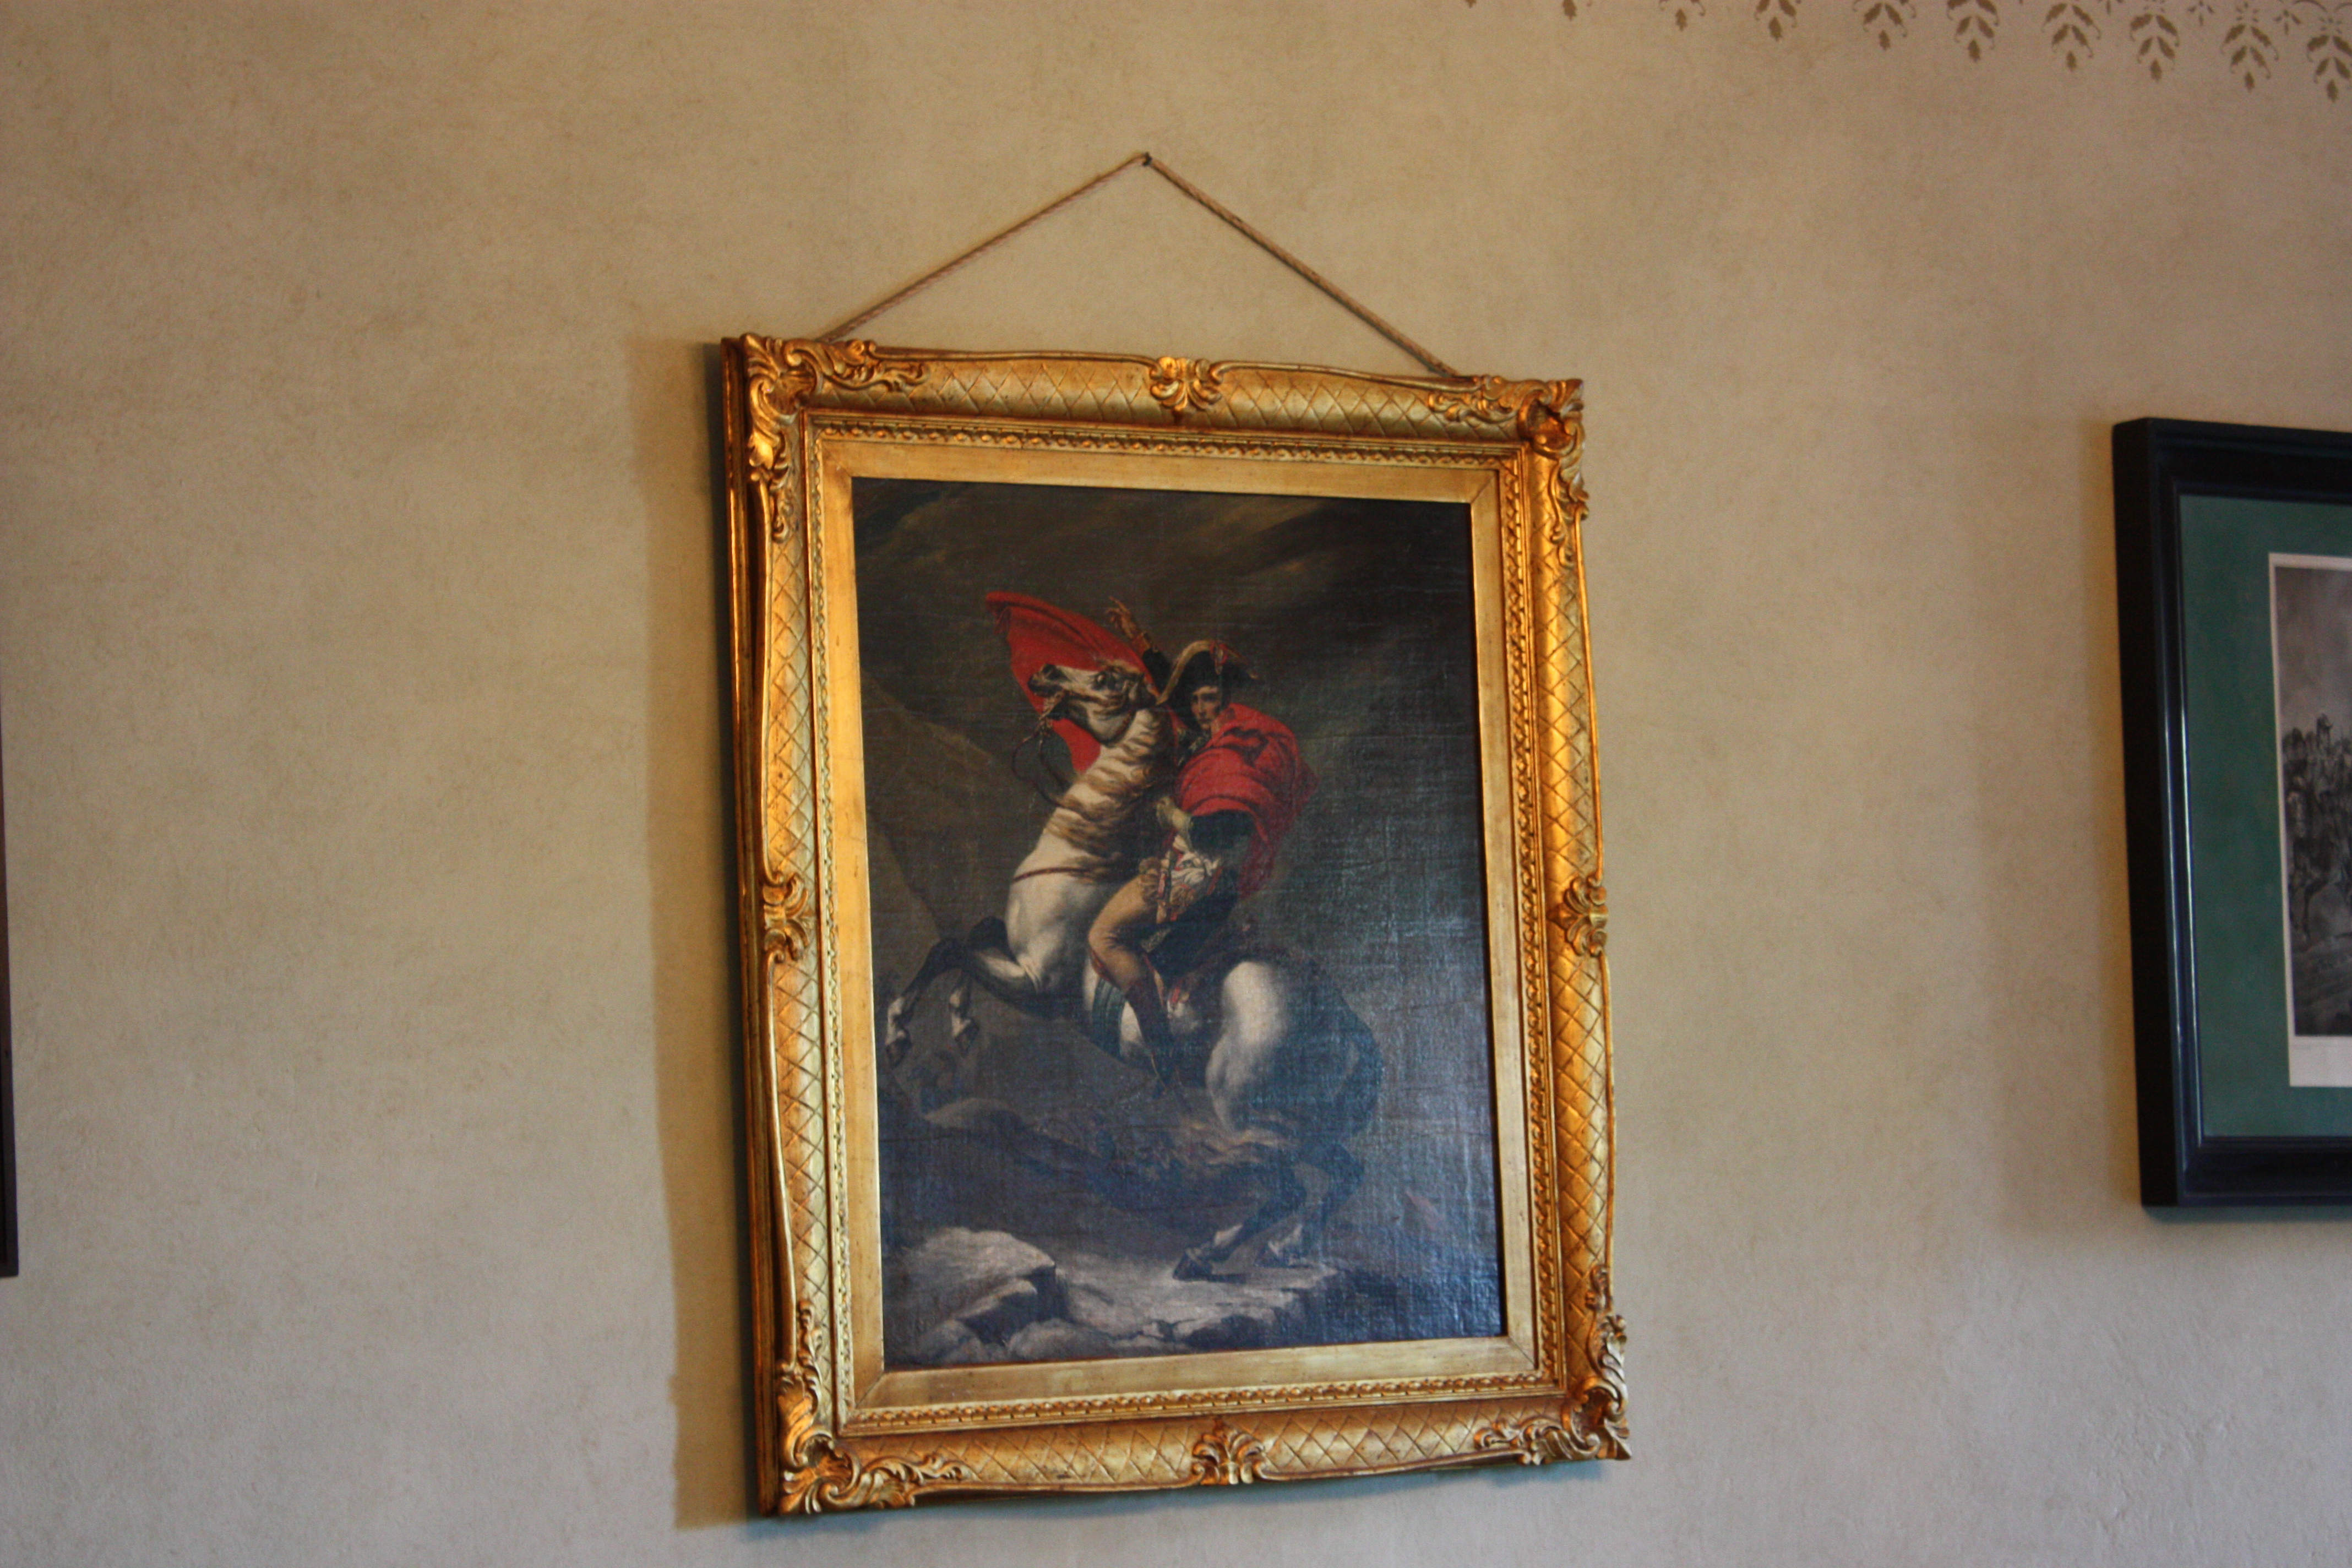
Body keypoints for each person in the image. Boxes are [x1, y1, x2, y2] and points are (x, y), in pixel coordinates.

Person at [1087, 603, 1317, 1082]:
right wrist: (1138, 638)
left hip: (1199, 875)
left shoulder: (1238, 750)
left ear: (1226, 698)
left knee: (1105, 935)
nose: (1199, 708)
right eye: (1195, 701)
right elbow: (1173, 693)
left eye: (1209, 698)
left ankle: (1161, 1052)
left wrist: (1172, 815)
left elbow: (1222, 833)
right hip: (1200, 874)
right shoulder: (1213, 737)